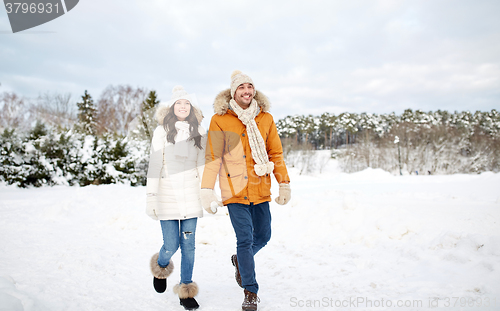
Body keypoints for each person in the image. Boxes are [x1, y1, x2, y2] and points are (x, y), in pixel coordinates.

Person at [200, 70, 291, 311]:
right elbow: (212, 157)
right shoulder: (219, 119)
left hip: (261, 188)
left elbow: (276, 154)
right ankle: (250, 291)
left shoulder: (266, 118)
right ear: (233, 92)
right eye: (241, 87)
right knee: (245, 239)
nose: (247, 91)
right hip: (234, 190)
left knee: (263, 236)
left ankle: (241, 261)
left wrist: (283, 182)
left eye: (250, 87)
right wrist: (207, 190)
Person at [146, 86, 205, 310]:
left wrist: (209, 193)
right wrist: (151, 196)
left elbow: (203, 166)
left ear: (191, 108)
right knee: (171, 245)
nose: (183, 106)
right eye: (179, 103)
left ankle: (186, 290)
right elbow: (154, 165)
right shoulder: (161, 132)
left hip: (191, 197)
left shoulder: (199, 131)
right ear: (172, 107)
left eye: (187, 103)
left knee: (188, 246)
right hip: (166, 196)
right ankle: (161, 268)